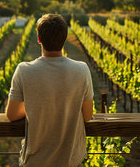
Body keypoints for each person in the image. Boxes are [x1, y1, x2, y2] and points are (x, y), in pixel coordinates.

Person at [6, 14, 94, 167]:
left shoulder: (23, 70)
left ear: (39, 39)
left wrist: (36, 105)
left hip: (34, 162)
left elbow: (12, 115)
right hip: (71, 161)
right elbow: (87, 115)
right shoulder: (82, 70)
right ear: (65, 38)